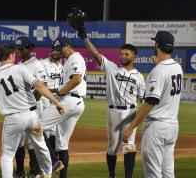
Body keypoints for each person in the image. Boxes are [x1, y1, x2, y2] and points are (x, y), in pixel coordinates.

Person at [67, 10, 145, 178]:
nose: (123, 56)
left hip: (131, 112)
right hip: (113, 112)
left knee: (129, 147)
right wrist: (84, 37)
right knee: (112, 148)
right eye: (122, 53)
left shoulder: (139, 77)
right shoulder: (111, 68)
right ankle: (111, 175)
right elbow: (95, 53)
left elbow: (144, 101)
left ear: (134, 57)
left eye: (127, 54)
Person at [0, 44, 64, 178]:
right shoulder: (21, 68)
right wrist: (56, 102)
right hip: (32, 117)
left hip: (13, 119)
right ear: (10, 55)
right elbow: (39, 85)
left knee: (7, 155)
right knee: (41, 146)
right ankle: (47, 173)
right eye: (14, 54)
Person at [123, 31, 183, 178]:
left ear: (157, 45)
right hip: (172, 127)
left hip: (157, 128)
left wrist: (131, 128)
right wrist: (159, 65)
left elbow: (150, 102)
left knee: (153, 174)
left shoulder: (159, 71)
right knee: (168, 173)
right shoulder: (177, 67)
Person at [14, 36, 63, 177]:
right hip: (23, 107)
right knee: (27, 140)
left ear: (29, 48)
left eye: (21, 48)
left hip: (33, 106)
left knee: (34, 137)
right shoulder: (19, 64)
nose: (18, 51)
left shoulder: (36, 65)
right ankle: (28, 170)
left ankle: (46, 165)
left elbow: (42, 87)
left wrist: (28, 103)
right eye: (17, 48)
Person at [40, 37, 87, 178]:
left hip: (70, 101)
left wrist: (60, 92)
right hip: (77, 103)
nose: (59, 52)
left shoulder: (74, 58)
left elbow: (77, 79)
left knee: (36, 127)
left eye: (60, 49)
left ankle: (54, 162)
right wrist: (55, 91)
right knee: (62, 145)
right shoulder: (71, 60)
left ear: (67, 45)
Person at [41, 42, 63, 156]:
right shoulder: (43, 64)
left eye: (59, 50)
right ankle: (43, 158)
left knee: (54, 130)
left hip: (57, 100)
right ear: (51, 50)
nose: (56, 52)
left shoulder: (62, 67)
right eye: (54, 49)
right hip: (44, 99)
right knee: (45, 129)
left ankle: (52, 157)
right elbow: (41, 85)